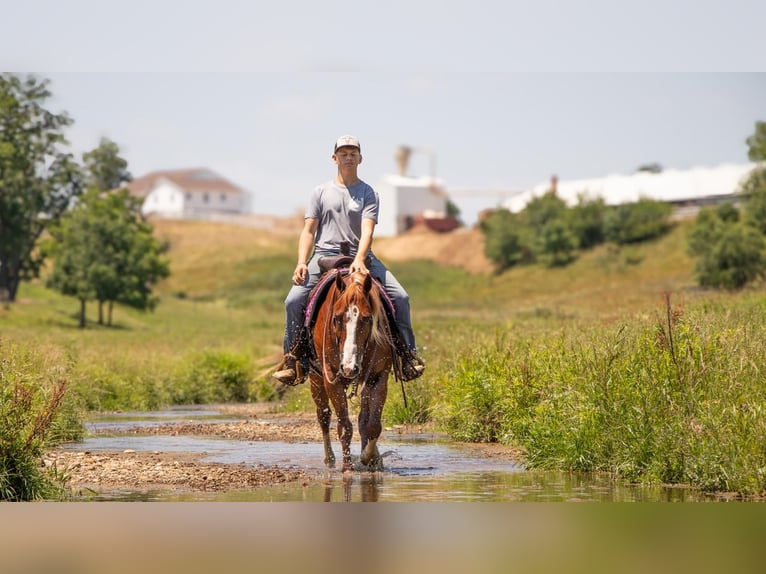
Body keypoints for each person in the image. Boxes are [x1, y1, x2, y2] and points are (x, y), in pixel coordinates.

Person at [273, 134, 425, 385]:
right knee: (293, 300)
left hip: (361, 256)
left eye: (353, 153)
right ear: (334, 158)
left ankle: (407, 356)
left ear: (360, 159)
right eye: (343, 153)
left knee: (401, 297)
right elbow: (309, 231)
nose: (348, 157)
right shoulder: (320, 192)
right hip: (324, 255)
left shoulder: (368, 192)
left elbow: (368, 230)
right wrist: (301, 262)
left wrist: (360, 258)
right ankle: (292, 361)